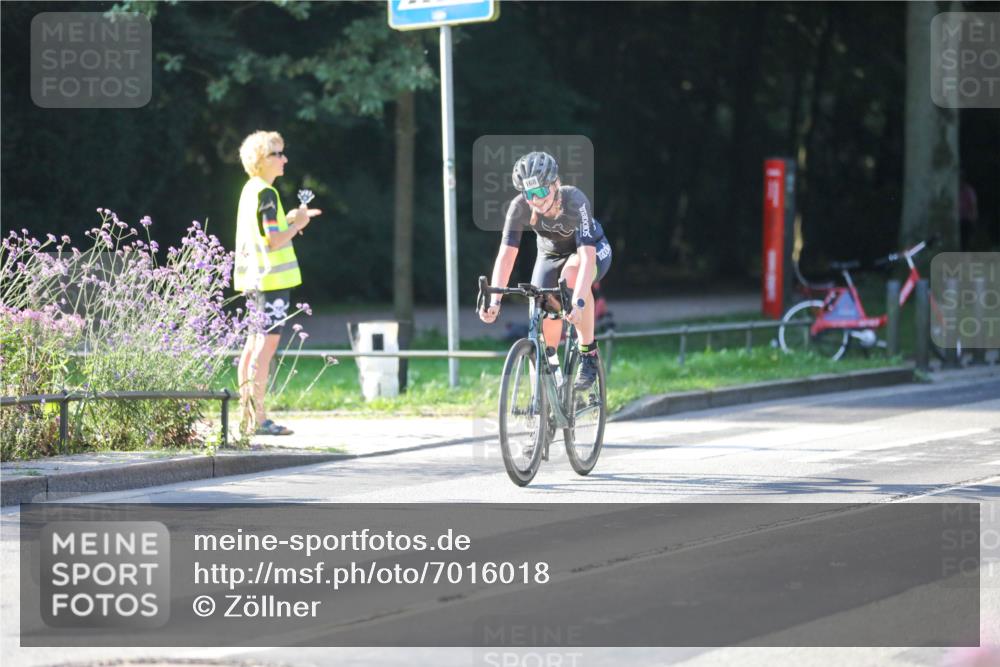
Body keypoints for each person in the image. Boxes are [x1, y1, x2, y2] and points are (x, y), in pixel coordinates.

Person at [479, 151, 612, 390]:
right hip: (549, 256)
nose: (536, 200)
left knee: (571, 278)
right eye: (529, 194)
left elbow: (586, 255)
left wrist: (579, 303)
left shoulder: (575, 200)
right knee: (542, 305)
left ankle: (588, 353)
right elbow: (507, 255)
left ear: (556, 184)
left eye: (541, 191)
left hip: (590, 250)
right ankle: (544, 391)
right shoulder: (519, 207)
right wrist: (495, 300)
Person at [234, 130, 321, 435]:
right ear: (261, 159)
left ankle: (246, 415)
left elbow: (265, 233)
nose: (284, 159)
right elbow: (273, 240)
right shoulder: (267, 194)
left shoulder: (251, 190)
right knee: (264, 349)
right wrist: (298, 225)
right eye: (277, 154)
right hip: (271, 282)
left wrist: (294, 220)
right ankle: (258, 419)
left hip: (253, 279)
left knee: (251, 347)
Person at [959, 172, 979, 252]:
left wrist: (974, 219)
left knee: (966, 241)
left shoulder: (969, 191)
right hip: (959, 220)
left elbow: (973, 205)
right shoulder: (957, 191)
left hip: (967, 220)